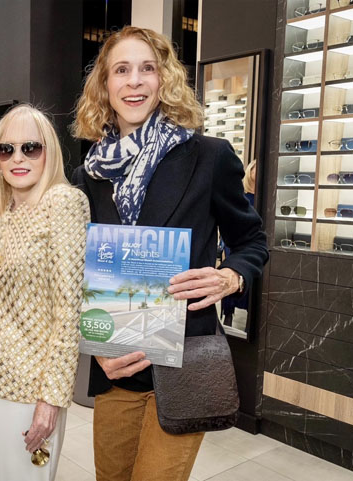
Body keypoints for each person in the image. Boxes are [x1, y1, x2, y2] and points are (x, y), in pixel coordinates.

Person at [72, 26, 269, 481]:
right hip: (116, 366)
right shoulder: (89, 175)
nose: (135, 81)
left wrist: (230, 276)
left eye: (148, 69)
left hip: (183, 363)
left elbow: (252, 241)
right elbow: (80, 273)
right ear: (105, 85)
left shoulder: (210, 157)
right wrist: (96, 346)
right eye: (121, 70)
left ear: (165, 80)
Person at [0, 104, 89, 481]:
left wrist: (51, 399)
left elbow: (69, 312)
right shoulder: (5, 213)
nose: (17, 157)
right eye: (5, 149)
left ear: (49, 151)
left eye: (30, 147)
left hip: (26, 389)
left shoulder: (63, 203)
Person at [222, 159, 257, 327]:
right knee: (231, 274)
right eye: (254, 169)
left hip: (254, 243)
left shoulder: (264, 198)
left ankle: (251, 314)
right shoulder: (242, 197)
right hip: (235, 241)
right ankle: (228, 313)